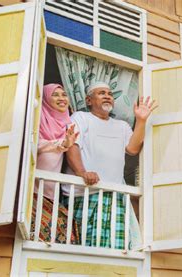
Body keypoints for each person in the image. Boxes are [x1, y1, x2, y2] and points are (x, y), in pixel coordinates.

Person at [65, 81, 156, 249]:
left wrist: (141, 120)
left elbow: (132, 149)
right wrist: (82, 172)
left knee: (115, 248)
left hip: (114, 196)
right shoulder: (81, 117)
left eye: (110, 93)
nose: (107, 96)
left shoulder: (121, 126)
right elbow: (72, 145)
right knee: (84, 250)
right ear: (88, 100)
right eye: (101, 93)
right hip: (84, 193)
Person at [32, 83, 79, 244]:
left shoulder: (68, 126)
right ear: (45, 98)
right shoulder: (37, 119)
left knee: (64, 233)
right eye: (55, 95)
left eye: (64, 94)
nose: (61, 98)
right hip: (31, 190)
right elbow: (34, 144)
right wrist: (61, 144)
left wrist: (65, 143)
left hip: (50, 194)